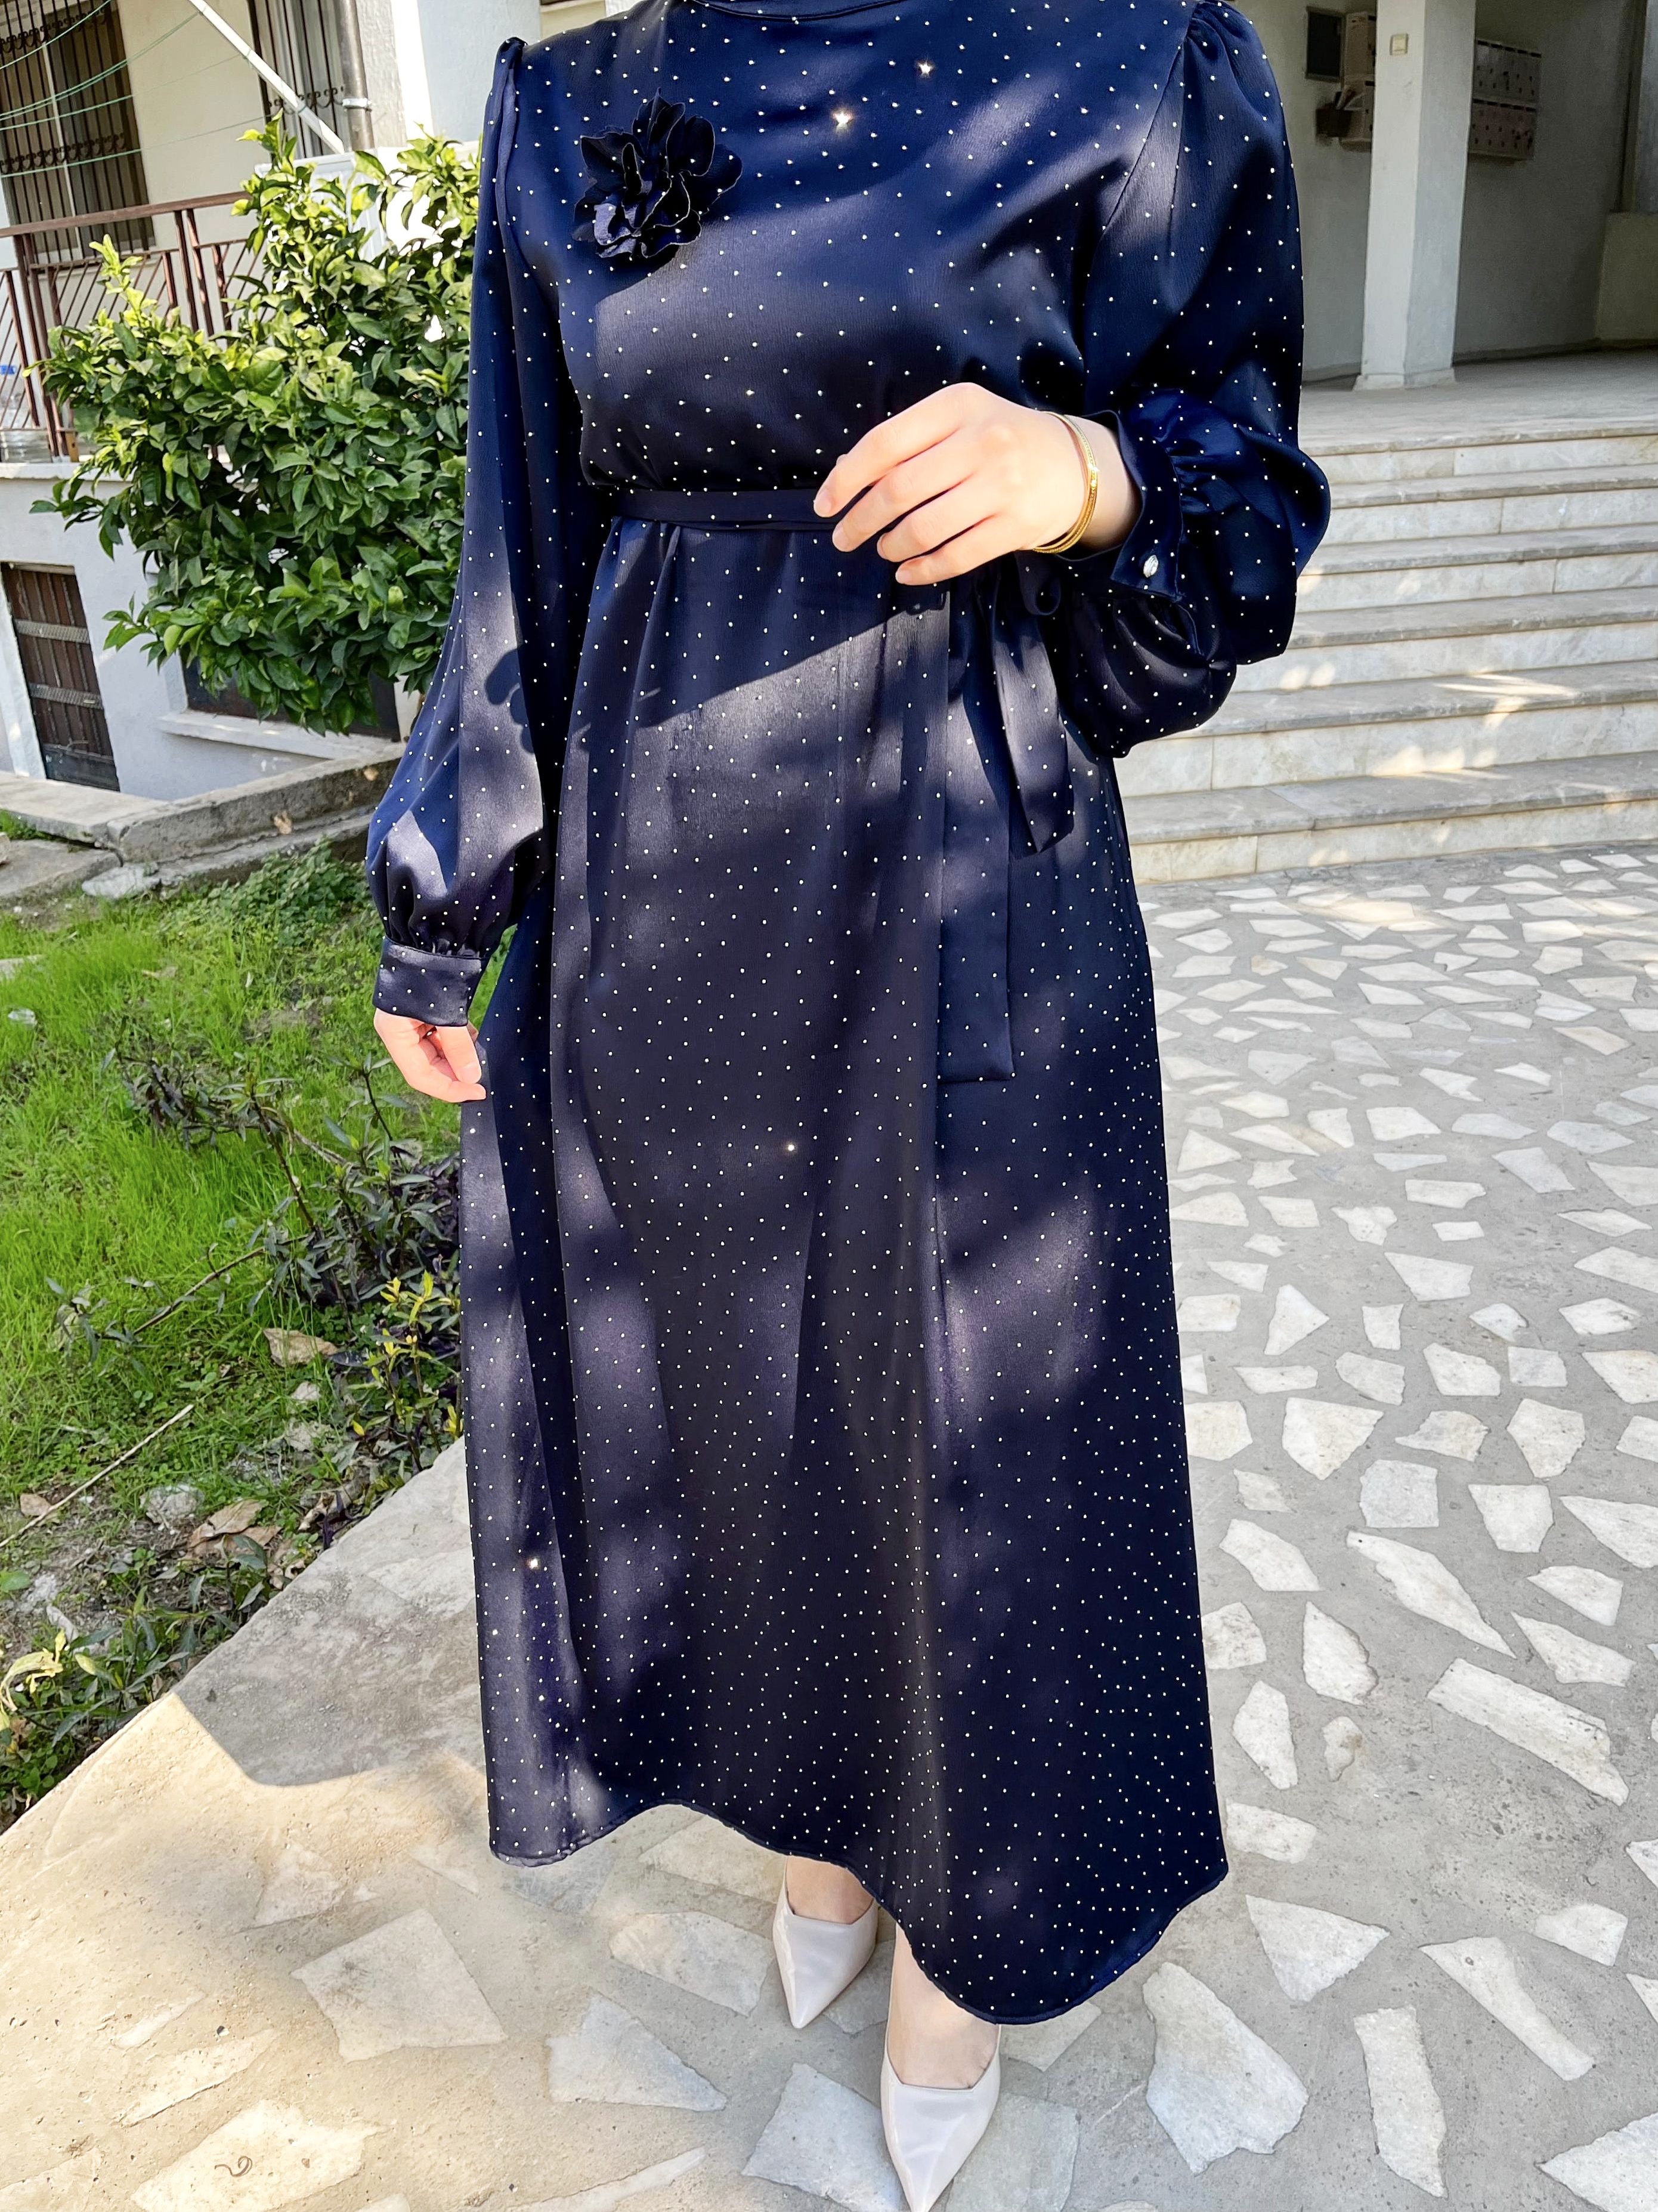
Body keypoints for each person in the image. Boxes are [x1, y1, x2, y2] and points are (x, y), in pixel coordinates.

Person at [367, 0, 1329, 2199]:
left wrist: (1086, 474)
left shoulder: (1125, 60)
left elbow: (1244, 472)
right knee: (742, 1394)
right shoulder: (573, 102)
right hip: (664, 868)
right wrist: (451, 889)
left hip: (961, 854)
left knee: (973, 1412)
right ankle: (820, 1826)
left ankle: (957, 1936)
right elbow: (520, 533)